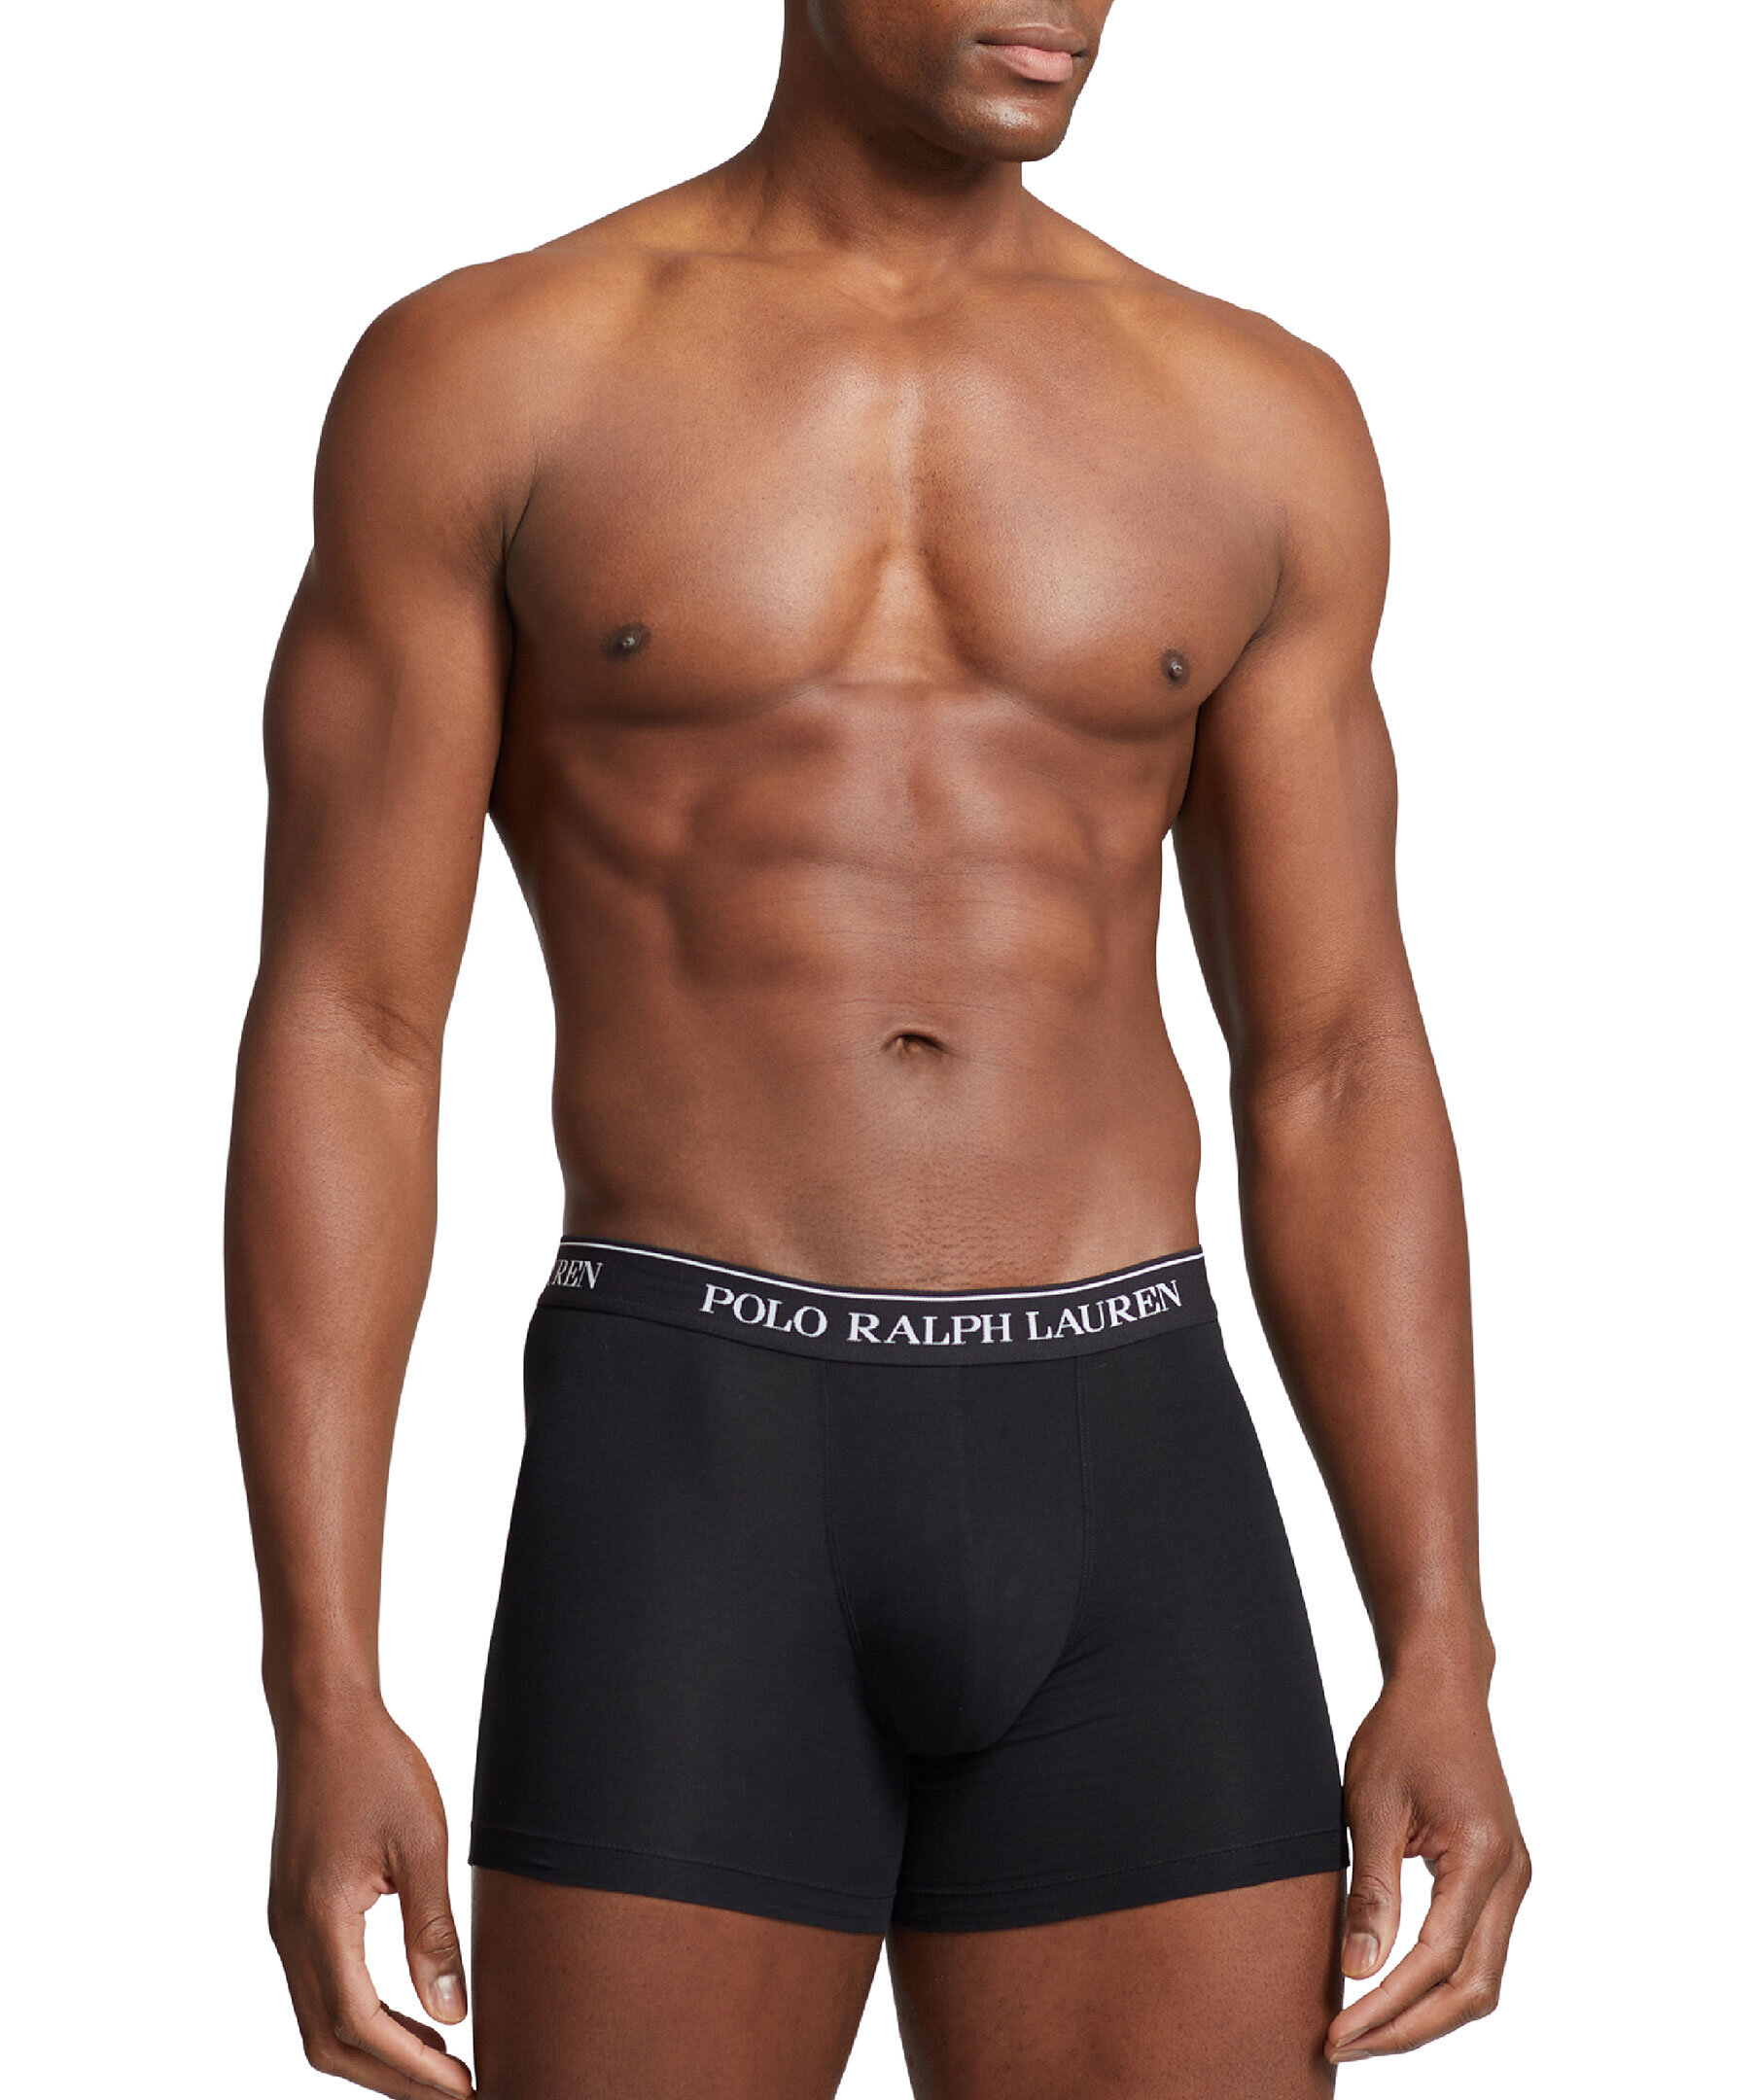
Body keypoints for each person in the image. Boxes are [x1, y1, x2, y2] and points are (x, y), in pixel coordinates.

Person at [226, 4, 1530, 2093]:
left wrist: (1442, 1643)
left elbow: (1338, 1056)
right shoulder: (494, 376)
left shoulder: (1253, 413)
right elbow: (354, 1029)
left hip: (1136, 1460)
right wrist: (321, 1686)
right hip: (693, 1456)